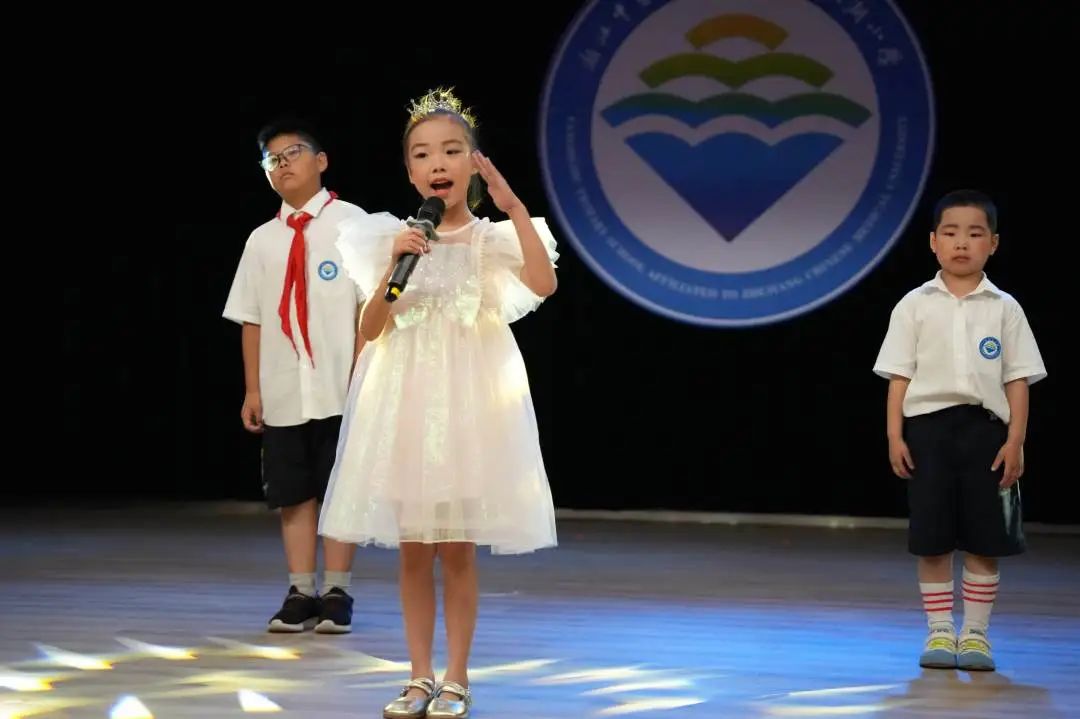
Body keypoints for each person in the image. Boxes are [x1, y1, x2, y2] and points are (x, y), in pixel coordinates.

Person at [318, 88, 559, 718]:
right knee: (412, 549)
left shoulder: (488, 240)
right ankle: (417, 675)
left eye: (452, 149)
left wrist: (513, 206)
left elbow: (544, 282)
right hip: (404, 407)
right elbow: (371, 328)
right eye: (423, 153)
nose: (437, 162)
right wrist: (398, 263)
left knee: (456, 549)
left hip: (466, 413)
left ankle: (457, 677)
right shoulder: (391, 239)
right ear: (410, 170)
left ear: (473, 162)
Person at [873, 189, 1047, 671]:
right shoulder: (914, 304)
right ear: (933, 242)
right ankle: (939, 632)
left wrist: (1015, 440)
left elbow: (1018, 378)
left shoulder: (1004, 307)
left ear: (993, 243)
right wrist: (895, 435)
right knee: (932, 536)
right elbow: (898, 376)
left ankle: (975, 635)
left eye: (974, 234)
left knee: (984, 537)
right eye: (950, 233)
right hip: (927, 431)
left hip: (986, 434)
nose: (961, 243)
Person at [223, 118, 367, 634]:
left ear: (321, 160)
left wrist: (363, 373)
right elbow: (252, 318)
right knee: (292, 491)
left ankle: (338, 589)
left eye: (292, 153)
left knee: (341, 489)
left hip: (340, 385)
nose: (282, 165)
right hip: (285, 388)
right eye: (272, 159)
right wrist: (254, 388)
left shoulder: (355, 224)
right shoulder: (261, 240)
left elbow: (370, 307)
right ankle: (300, 589)